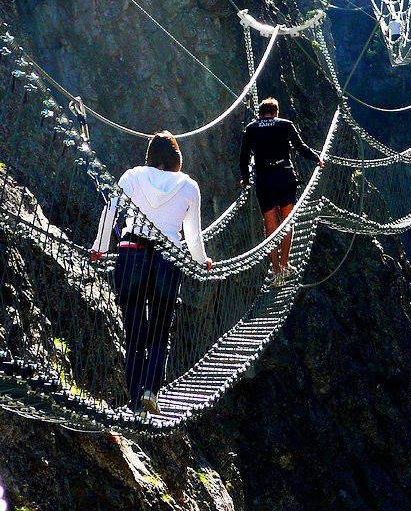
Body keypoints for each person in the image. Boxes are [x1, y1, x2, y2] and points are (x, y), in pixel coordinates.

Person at [90, 131, 213, 415]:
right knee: (159, 331)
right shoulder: (188, 186)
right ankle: (150, 390)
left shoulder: (132, 177)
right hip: (167, 261)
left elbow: (110, 213)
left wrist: (99, 247)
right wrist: (202, 259)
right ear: (176, 158)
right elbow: (192, 234)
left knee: (134, 333)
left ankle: (134, 401)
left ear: (150, 155)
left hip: (131, 254)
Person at [240, 97, 323, 284]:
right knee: (286, 222)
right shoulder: (285, 125)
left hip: (264, 179)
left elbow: (244, 157)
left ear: (260, 113)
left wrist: (245, 179)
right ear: (276, 112)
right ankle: (284, 265)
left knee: (270, 225)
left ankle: (276, 270)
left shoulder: (252, 128)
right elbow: (301, 148)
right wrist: (317, 158)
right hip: (284, 176)